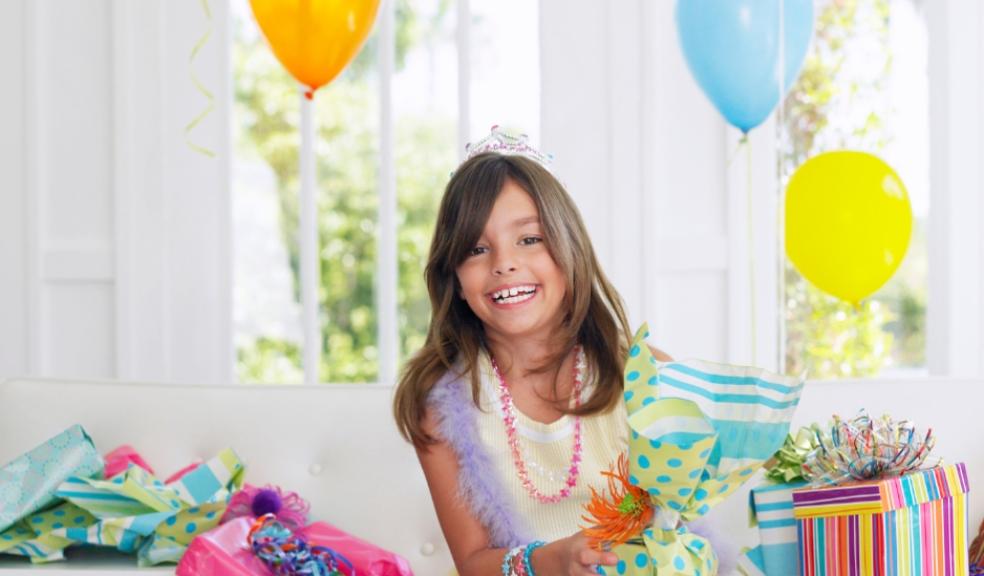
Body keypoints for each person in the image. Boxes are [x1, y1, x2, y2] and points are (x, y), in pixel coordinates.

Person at [393, 128, 671, 576]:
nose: (503, 263)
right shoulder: (443, 406)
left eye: (529, 239)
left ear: (569, 250)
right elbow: (472, 561)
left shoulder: (645, 375)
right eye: (477, 249)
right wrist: (548, 561)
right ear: (456, 281)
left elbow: (682, 515)